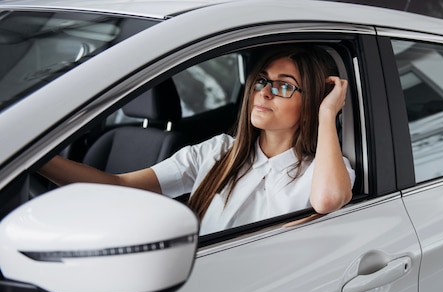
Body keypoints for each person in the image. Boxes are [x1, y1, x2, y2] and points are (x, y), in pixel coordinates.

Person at [39, 45, 356, 235]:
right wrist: (35, 159)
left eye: (284, 86)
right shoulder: (217, 152)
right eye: (262, 80)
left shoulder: (325, 170)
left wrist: (326, 114)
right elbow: (119, 186)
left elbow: (327, 200)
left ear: (311, 103)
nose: (265, 91)